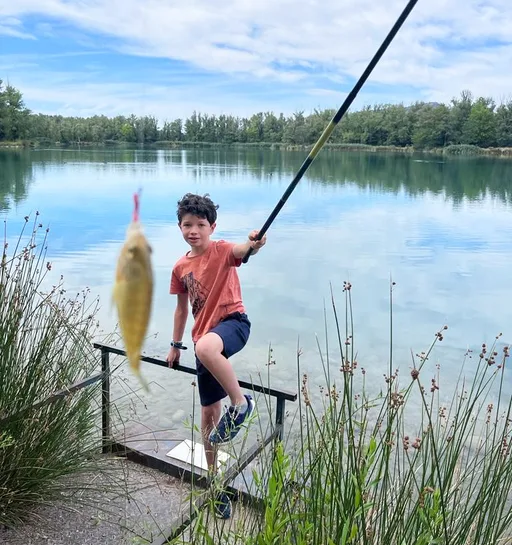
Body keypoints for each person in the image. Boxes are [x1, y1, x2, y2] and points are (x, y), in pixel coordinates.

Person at [166, 192, 267, 518]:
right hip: (201, 341)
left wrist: (254, 243)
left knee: (207, 347)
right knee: (209, 420)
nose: (193, 230)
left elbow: (243, 249)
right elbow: (181, 310)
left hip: (233, 325)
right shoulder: (180, 267)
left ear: (212, 226)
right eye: (187, 225)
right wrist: (174, 345)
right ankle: (217, 484)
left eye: (200, 224)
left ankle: (243, 404)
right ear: (180, 226)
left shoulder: (222, 250)